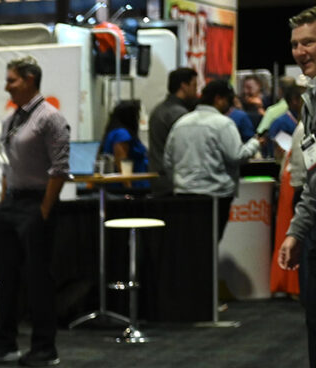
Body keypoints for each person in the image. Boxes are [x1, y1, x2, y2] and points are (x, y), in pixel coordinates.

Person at [0, 56, 70, 368]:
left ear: (29, 80)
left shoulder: (50, 118)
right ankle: (4, 342)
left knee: (38, 277)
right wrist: (4, 205)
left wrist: (44, 210)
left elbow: (59, 170)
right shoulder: (12, 119)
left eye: (12, 80)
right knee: (6, 275)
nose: (6, 86)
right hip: (12, 204)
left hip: (36, 203)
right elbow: (7, 166)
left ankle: (45, 346)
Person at [277, 7, 316, 368]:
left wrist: (295, 229)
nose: (300, 51)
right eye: (295, 44)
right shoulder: (309, 97)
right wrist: (297, 230)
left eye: (308, 42)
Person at [165, 80, 262, 243]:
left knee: (189, 246)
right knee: (210, 245)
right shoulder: (223, 124)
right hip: (215, 197)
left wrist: (180, 182)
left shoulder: (181, 123)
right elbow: (237, 156)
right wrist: (255, 143)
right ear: (219, 99)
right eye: (229, 101)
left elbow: (168, 160)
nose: (230, 107)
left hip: (182, 195)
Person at [148, 68, 199, 197]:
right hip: (173, 182)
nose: (196, 90)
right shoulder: (179, 114)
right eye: (194, 85)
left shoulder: (158, 110)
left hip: (159, 179)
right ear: (183, 86)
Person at [98, 100, 149, 192]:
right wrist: (129, 189)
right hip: (129, 187)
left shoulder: (116, 132)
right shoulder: (121, 134)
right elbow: (122, 163)